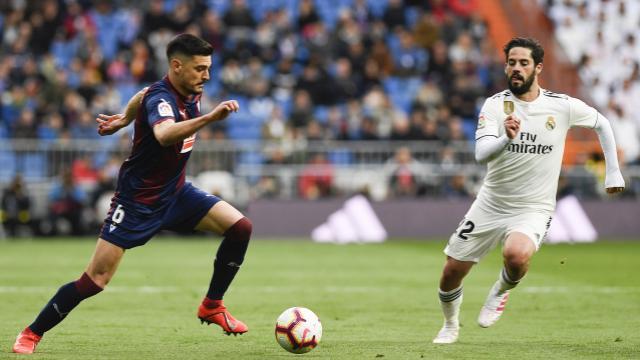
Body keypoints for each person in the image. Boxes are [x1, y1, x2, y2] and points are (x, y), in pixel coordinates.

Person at [13, 34, 252, 354]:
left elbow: (140, 94)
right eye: (199, 69)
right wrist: (208, 119)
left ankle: (212, 305)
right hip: (137, 202)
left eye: (208, 68)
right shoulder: (162, 99)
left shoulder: (186, 89)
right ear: (176, 66)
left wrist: (124, 118)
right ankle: (31, 332)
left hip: (177, 193)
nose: (206, 76)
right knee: (94, 281)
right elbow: (164, 133)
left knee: (240, 227)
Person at [432, 37, 625, 344]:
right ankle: (450, 324)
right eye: (511, 63)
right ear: (505, 66)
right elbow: (481, 154)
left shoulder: (560, 106)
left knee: (517, 254)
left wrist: (613, 171)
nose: (516, 69)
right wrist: (506, 138)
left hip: (533, 207)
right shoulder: (495, 105)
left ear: (538, 68)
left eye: (523, 63)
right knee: (451, 272)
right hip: (491, 203)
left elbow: (602, 123)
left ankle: (501, 290)